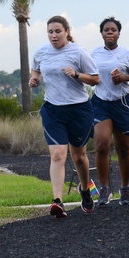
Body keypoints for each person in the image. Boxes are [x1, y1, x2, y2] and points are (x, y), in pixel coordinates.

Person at [29, 15, 100, 218]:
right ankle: (57, 201)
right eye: (50, 32)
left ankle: (85, 191)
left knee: (79, 156)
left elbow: (95, 79)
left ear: (67, 31)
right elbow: (35, 72)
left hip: (78, 109)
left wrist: (76, 74)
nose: (54, 35)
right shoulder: (41, 52)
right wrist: (33, 80)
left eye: (58, 31)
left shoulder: (78, 52)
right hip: (53, 109)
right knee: (58, 154)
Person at [90, 17, 129, 206]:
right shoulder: (94, 54)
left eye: (113, 29)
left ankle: (125, 187)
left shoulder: (127, 53)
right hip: (100, 102)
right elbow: (89, 75)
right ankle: (104, 188)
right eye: (106, 30)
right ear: (102, 33)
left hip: (121, 103)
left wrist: (123, 77)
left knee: (123, 148)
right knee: (101, 144)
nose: (110, 32)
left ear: (119, 33)